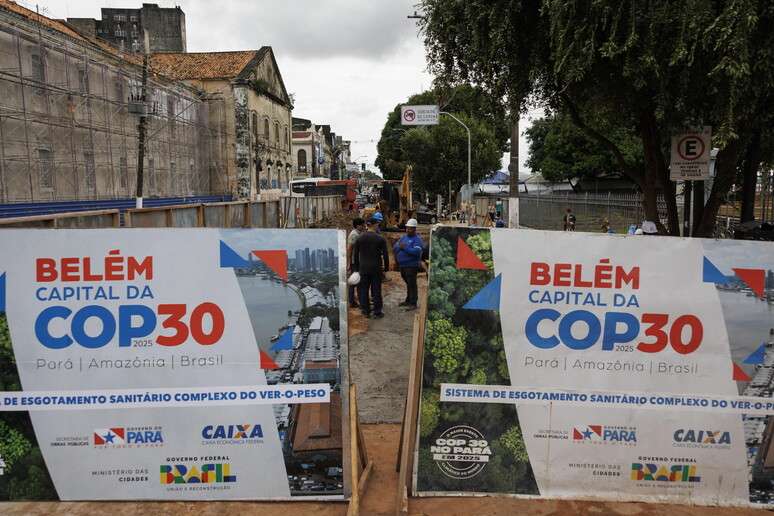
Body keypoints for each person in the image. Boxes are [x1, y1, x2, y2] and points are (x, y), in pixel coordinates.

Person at [353, 217, 389, 319]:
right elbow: (385, 255)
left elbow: (356, 255)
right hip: (376, 268)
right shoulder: (380, 239)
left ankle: (366, 311)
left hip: (363, 268)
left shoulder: (360, 238)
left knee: (364, 290)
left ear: (367, 225)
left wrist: (356, 269)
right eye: (377, 224)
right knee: (376, 290)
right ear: (375, 225)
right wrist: (386, 269)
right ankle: (377, 312)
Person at [393, 218, 424, 311]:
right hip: (402, 266)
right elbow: (395, 247)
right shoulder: (404, 237)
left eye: (410, 228)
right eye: (407, 228)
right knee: (408, 284)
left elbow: (416, 252)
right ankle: (408, 300)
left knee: (412, 284)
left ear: (414, 229)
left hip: (411, 266)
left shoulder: (417, 240)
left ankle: (413, 303)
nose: (408, 230)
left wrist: (405, 248)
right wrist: (400, 248)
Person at [347, 217, 365, 308]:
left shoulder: (358, 233)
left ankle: (358, 300)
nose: (364, 226)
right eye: (362, 225)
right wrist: (349, 263)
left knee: (358, 282)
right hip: (355, 262)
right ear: (357, 225)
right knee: (354, 282)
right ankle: (352, 301)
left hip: (358, 261)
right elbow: (349, 249)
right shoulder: (354, 235)